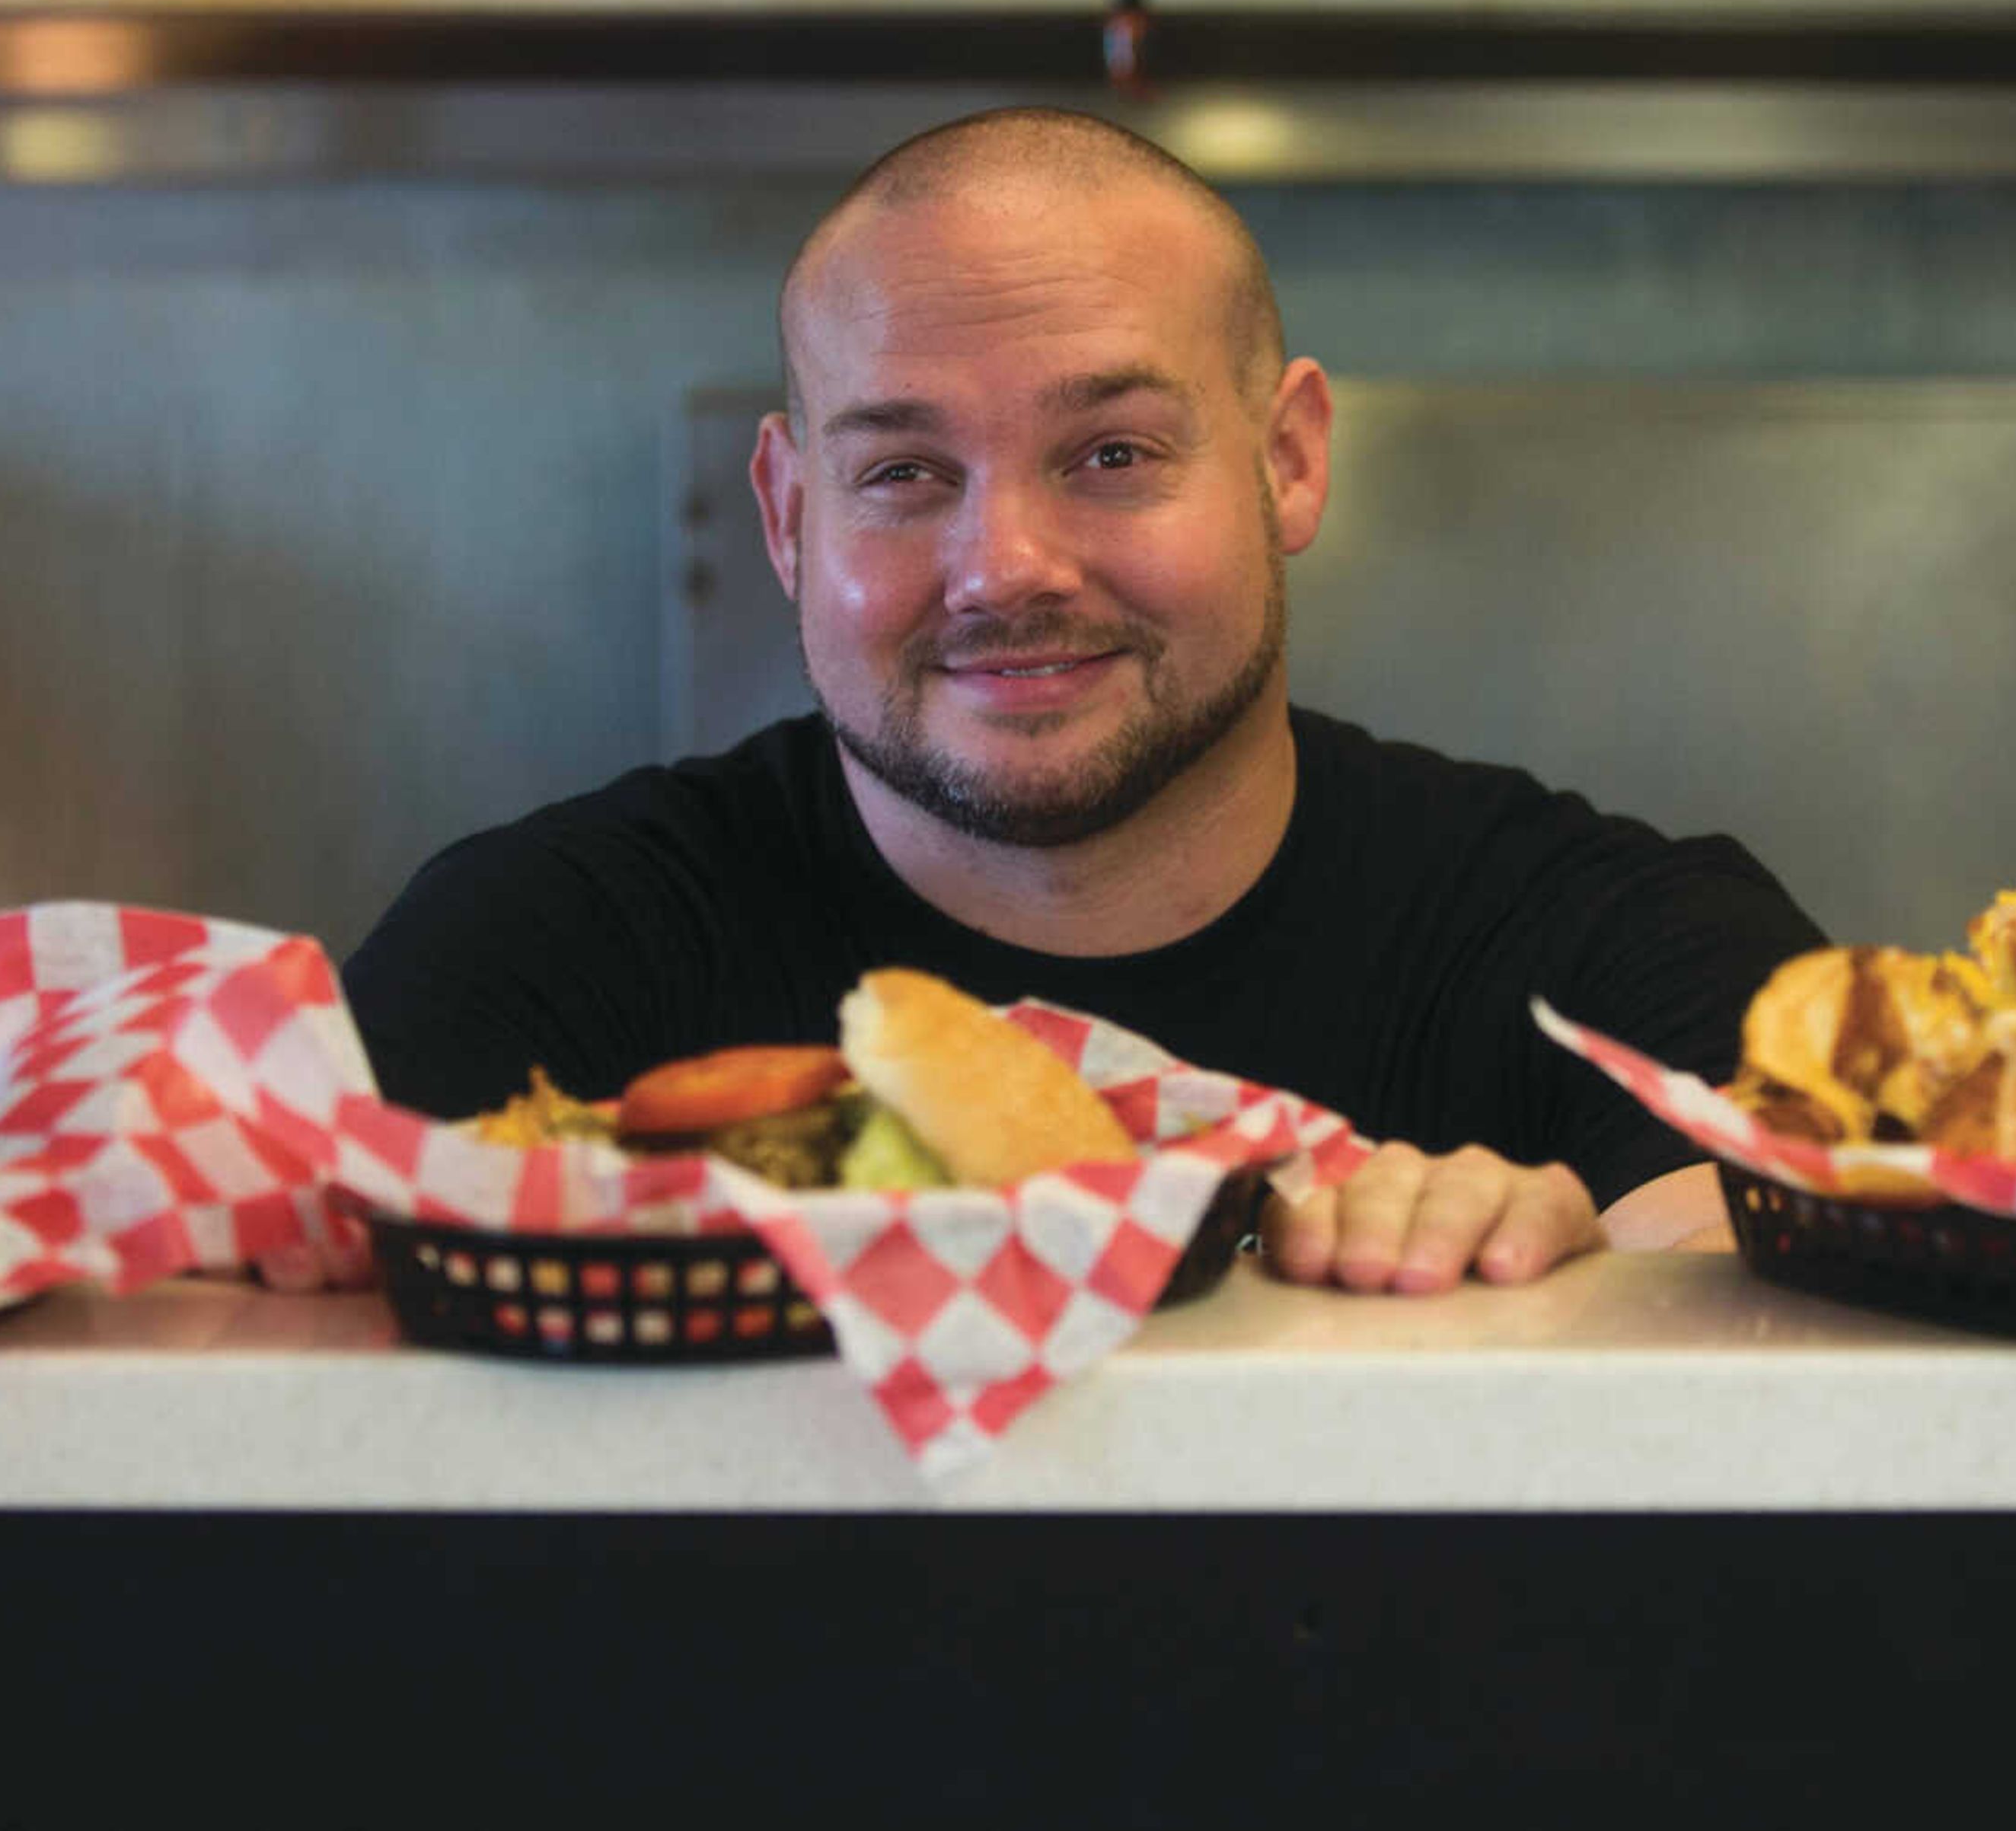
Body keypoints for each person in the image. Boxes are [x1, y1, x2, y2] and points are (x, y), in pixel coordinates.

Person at [338, 107, 1825, 1294]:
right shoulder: (534, 966)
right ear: (790, 521)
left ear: (1290, 460)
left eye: (1112, 454)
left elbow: (1817, 1330)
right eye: (905, 474)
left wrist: (1577, 1291)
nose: (1005, 569)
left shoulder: (1611, 951)